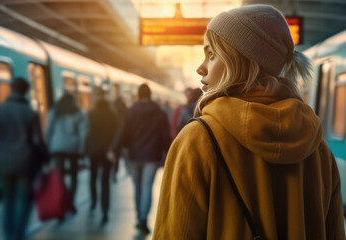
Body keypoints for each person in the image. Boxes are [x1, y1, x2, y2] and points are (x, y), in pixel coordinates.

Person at [154, 5, 345, 240]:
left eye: (211, 54)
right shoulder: (319, 151)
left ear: (239, 62)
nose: (201, 67)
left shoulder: (197, 141)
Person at [108, 83, 171, 234]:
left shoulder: (131, 112)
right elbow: (165, 137)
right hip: (152, 156)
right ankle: (143, 219)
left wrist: (112, 149)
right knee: (147, 186)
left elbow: (122, 132)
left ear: (138, 95)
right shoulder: (160, 113)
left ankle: (138, 217)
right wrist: (170, 152)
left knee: (137, 187)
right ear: (150, 95)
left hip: (134, 156)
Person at [0, 77, 47, 240]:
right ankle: (19, 235)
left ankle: (8, 235)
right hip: (25, 164)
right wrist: (46, 159)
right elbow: (37, 140)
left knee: (7, 200)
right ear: (26, 91)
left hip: (4, 164)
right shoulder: (29, 112)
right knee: (24, 200)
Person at [45, 92, 88, 213]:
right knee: (74, 176)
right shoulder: (78, 113)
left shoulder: (54, 111)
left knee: (59, 177)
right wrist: (81, 151)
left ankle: (61, 204)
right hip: (73, 148)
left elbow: (48, 131)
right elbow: (82, 134)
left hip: (56, 147)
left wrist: (47, 148)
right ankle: (71, 202)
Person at [86, 87, 119, 223]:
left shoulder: (91, 114)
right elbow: (117, 133)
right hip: (107, 151)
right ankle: (105, 210)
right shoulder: (112, 114)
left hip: (93, 150)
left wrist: (85, 148)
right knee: (105, 181)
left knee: (93, 176)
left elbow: (86, 132)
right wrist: (114, 150)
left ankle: (93, 200)